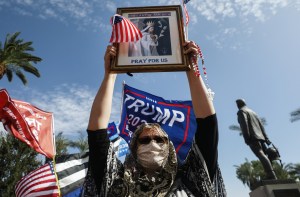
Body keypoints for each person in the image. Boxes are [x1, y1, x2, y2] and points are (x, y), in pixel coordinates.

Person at [83, 41, 226, 196]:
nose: (152, 144)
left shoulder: (192, 179)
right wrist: (110, 75)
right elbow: (96, 132)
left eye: (159, 140)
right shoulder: (116, 181)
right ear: (134, 148)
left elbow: (208, 126)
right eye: (144, 140)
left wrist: (191, 70)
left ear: (169, 145)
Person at [236, 99, 277, 180]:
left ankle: (271, 175)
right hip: (261, 137)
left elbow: (244, 125)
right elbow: (261, 126)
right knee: (264, 155)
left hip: (253, 137)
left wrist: (246, 137)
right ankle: (271, 174)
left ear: (239, 104)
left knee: (260, 154)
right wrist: (266, 138)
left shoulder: (241, 111)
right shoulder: (253, 112)